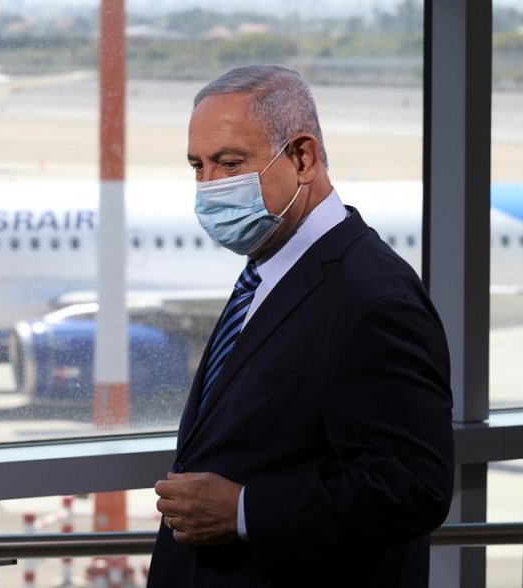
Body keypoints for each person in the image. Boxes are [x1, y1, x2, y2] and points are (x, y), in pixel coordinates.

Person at [147, 64, 454, 588]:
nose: (209, 187)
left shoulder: (370, 295)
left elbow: (412, 486)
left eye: (230, 163)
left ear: (303, 157)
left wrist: (245, 510)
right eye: (198, 166)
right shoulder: (270, 266)